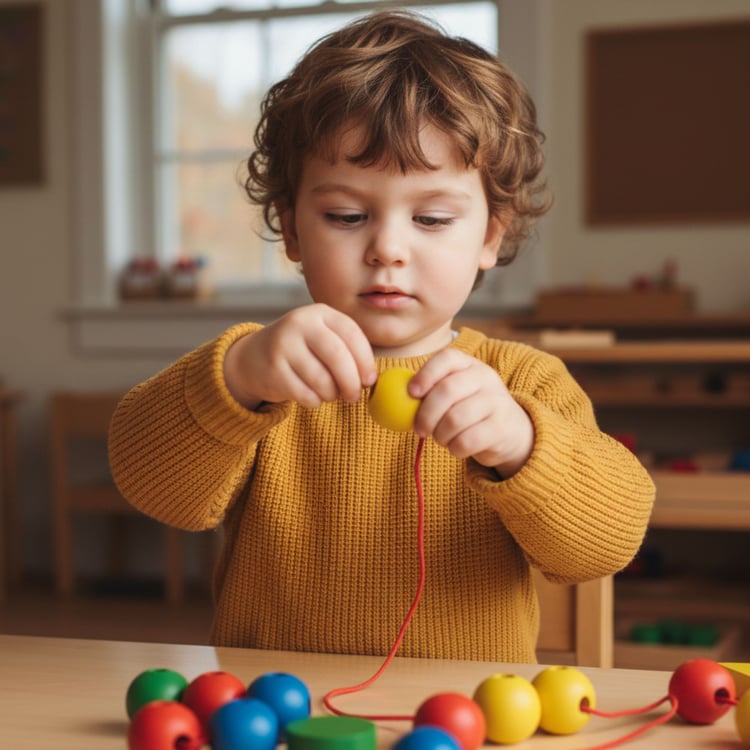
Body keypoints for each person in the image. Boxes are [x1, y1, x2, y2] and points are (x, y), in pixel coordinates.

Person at [109, 10, 654, 662]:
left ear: (489, 234)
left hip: (463, 721)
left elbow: (606, 544)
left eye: (430, 217)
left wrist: (520, 443)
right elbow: (152, 487)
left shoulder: (522, 385)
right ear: (291, 229)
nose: (388, 249)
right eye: (346, 215)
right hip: (275, 715)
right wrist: (236, 378)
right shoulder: (262, 377)